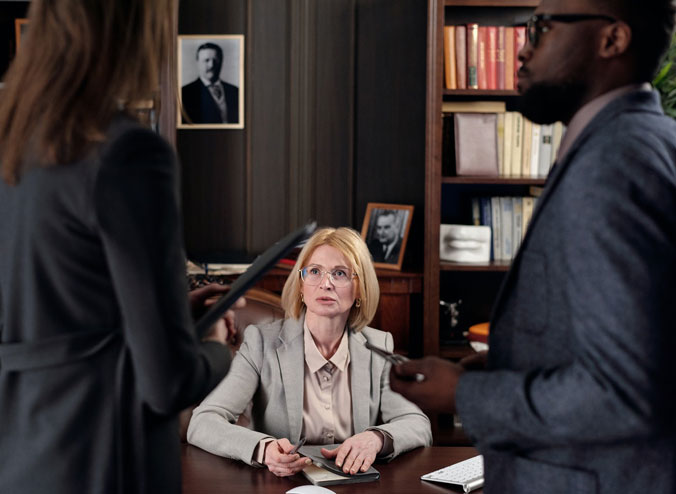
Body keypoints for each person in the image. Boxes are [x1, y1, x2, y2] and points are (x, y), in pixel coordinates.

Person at [390, 1, 676, 493]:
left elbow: (625, 392)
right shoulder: (652, 140)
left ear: (613, 40)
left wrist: (465, 394)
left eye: (540, 29)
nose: (521, 50)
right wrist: (513, 359)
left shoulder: (611, 165)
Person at [0, 1, 238, 493]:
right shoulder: (129, 153)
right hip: (106, 461)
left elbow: (25, 325)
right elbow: (168, 383)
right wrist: (218, 347)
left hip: (20, 460)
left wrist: (170, 312)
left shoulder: (4, 149)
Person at [187, 227, 431, 477]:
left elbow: (417, 424)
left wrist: (376, 439)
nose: (326, 284)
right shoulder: (261, 342)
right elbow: (203, 421)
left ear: (360, 289)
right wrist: (263, 448)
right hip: (284, 485)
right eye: (314, 271)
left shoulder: (378, 346)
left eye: (340, 273)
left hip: (355, 485)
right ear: (301, 286)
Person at [181, 42, 239, 124]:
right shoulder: (185, 93)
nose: (211, 65)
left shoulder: (236, 91)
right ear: (198, 62)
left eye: (215, 60)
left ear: (221, 61)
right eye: (206, 60)